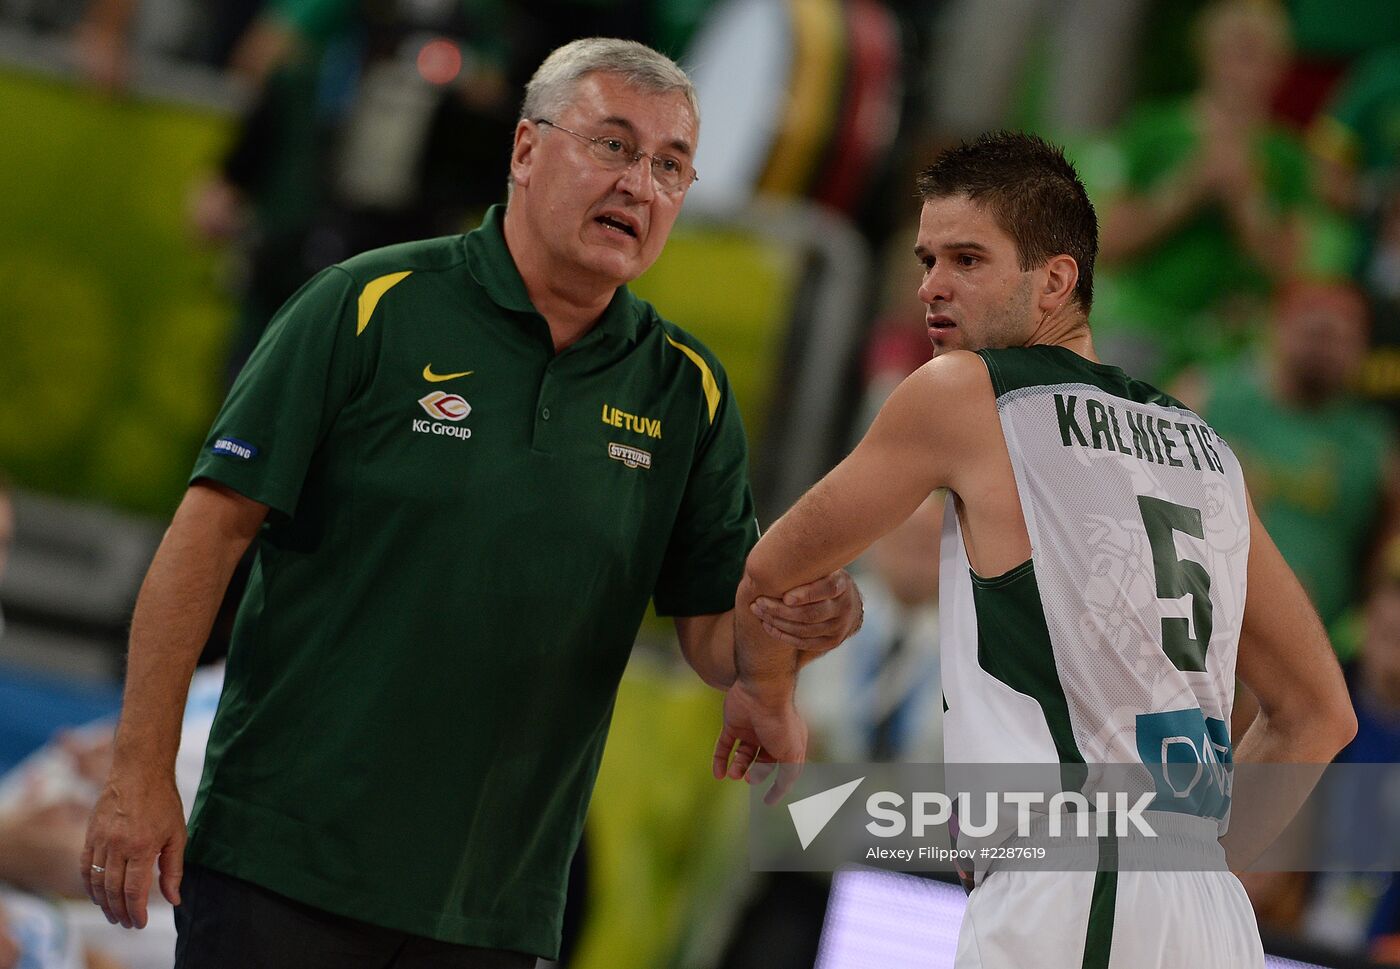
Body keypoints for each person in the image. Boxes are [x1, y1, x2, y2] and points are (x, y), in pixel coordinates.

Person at [81, 38, 862, 968]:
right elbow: (206, 536)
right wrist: (137, 771)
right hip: (280, 867)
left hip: (496, 910)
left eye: (670, 165)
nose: (640, 185)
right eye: (612, 146)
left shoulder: (686, 392)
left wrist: (793, 621)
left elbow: (713, 641)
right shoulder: (365, 305)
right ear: (526, 150)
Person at [713, 132, 1357, 969]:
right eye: (926, 259)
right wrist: (1182, 872)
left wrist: (766, 691)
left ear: (1055, 279)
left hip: (1065, 886)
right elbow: (1319, 713)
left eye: (967, 260)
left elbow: (772, 569)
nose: (931, 287)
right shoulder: (1205, 448)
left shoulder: (964, 391)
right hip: (1211, 915)